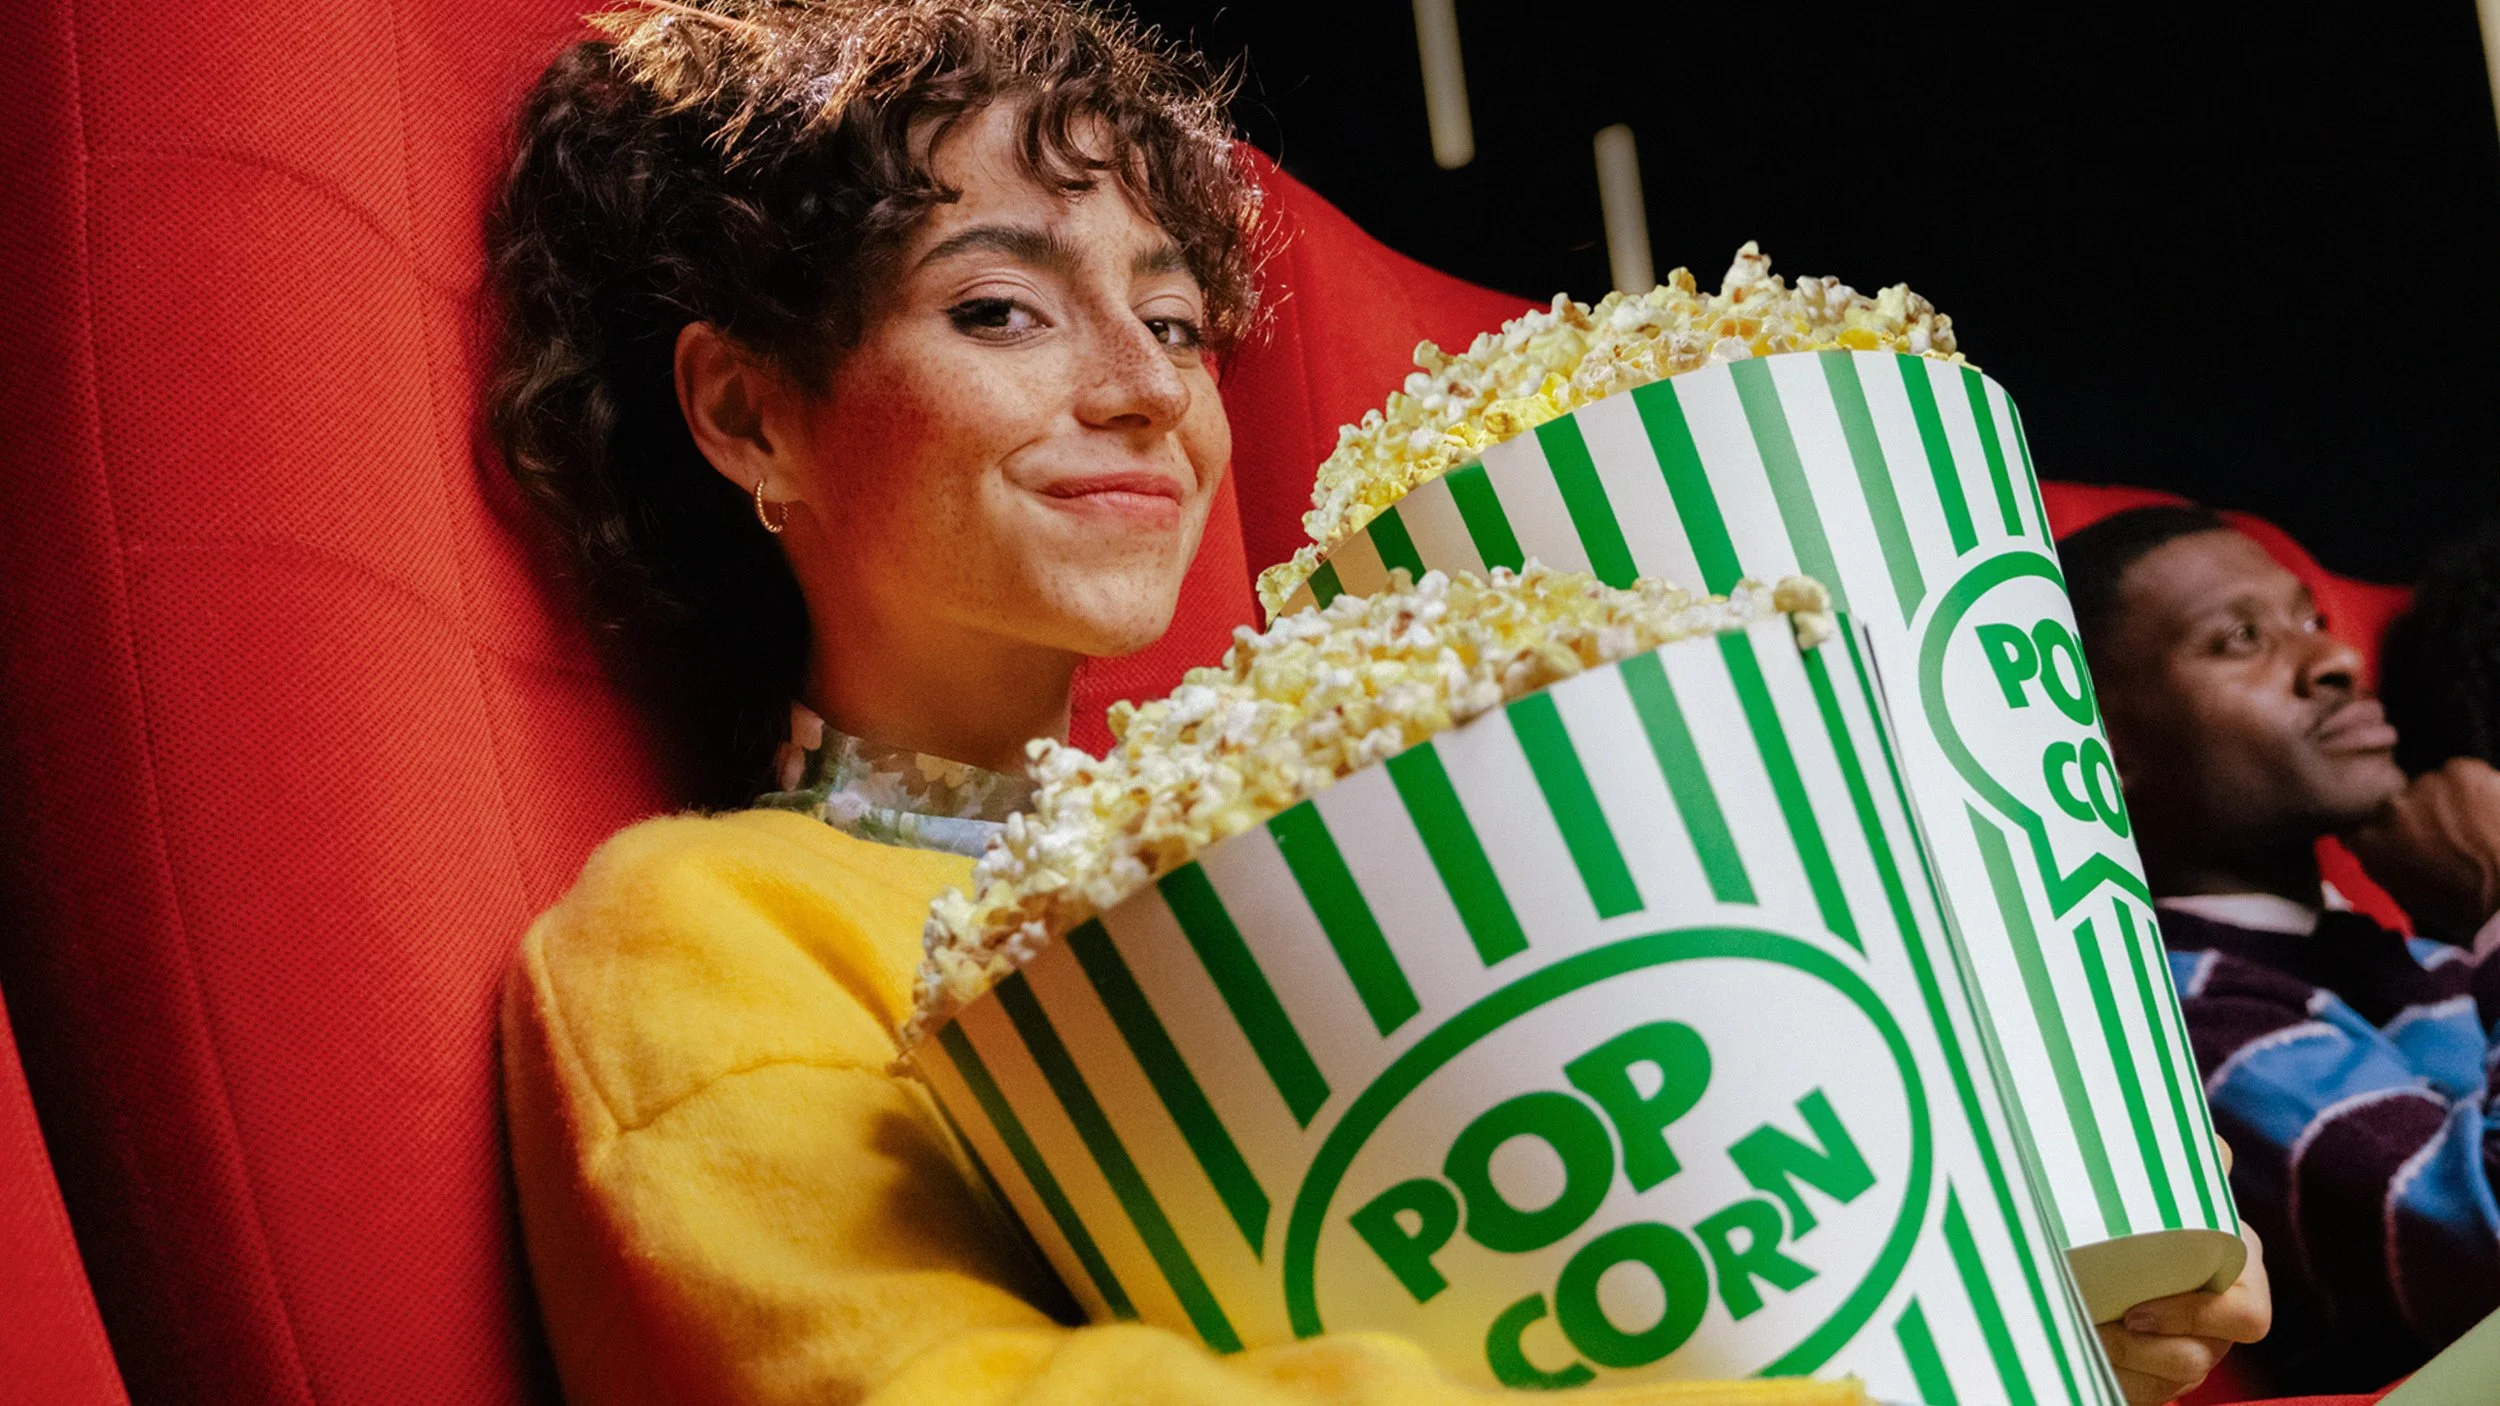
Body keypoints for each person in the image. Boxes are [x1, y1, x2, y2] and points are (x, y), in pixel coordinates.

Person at [487, 3, 2264, 1399]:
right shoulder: (700, 928)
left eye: (1177, 326)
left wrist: (2027, 1310)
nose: (1141, 392)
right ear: (745, 414)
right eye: (1008, 310)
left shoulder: (1352, 845)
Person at [2064, 504, 2500, 1394]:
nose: (2338, 660)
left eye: (2311, 620)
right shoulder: (2191, 1018)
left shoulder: (2415, 951)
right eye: (2239, 640)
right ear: (2101, 744)